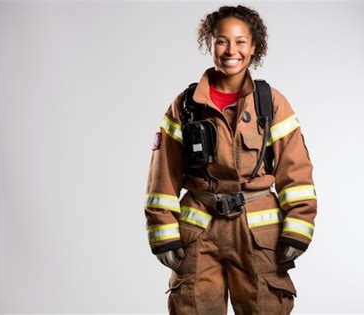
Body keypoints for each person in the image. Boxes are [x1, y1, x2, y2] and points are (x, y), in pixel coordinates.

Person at [144, 5, 318, 314]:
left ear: (254, 47)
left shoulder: (271, 103)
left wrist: (298, 226)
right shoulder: (186, 106)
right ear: (209, 44)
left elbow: (296, 172)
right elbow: (163, 176)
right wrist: (164, 233)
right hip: (199, 231)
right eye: (221, 41)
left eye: (240, 41)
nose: (230, 50)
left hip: (258, 236)